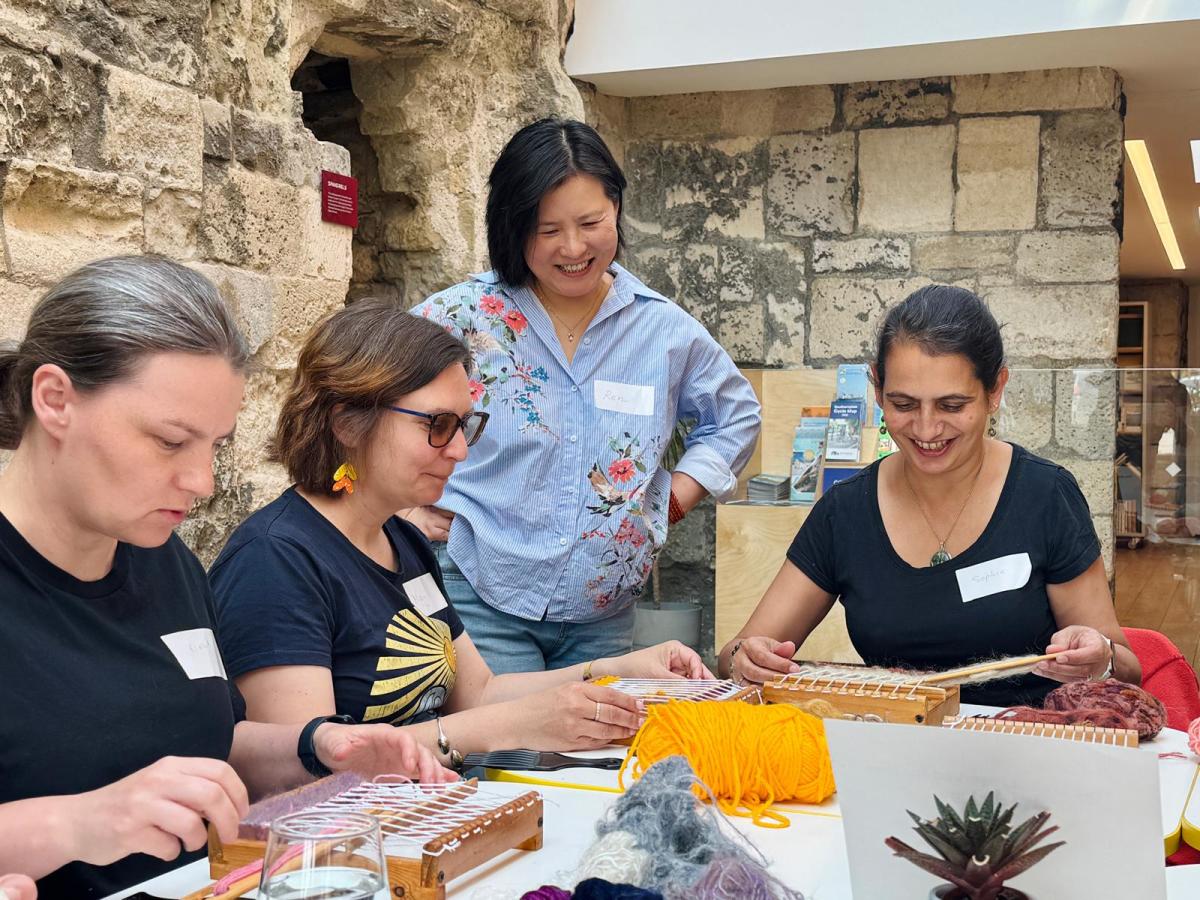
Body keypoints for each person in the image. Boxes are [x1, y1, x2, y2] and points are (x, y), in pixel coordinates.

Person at [0, 256, 452, 898]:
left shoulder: (168, 564)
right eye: (168, 441)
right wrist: (75, 822)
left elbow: (208, 742)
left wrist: (320, 747)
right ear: (55, 401)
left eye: (214, 446)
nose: (202, 482)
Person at [210, 300, 713, 761]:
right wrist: (506, 727)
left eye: (466, 426)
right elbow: (302, 767)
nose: (459, 451)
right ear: (347, 423)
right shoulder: (275, 560)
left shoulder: (401, 541)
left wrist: (614, 672)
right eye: (437, 425)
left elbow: (479, 693)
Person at [404, 117, 760, 673]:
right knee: (507, 752)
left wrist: (670, 502)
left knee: (591, 755)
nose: (573, 248)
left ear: (616, 208)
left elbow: (735, 416)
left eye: (590, 222)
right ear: (514, 226)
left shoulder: (663, 330)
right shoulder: (457, 318)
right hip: (480, 593)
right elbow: (362, 405)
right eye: (548, 230)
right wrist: (397, 508)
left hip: (606, 613)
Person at [718, 285, 1140, 707]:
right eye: (903, 403)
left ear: (996, 389)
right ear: (877, 388)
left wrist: (1099, 657)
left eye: (952, 406)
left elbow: (1126, 667)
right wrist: (746, 659)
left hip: (1028, 747)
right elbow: (736, 653)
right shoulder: (845, 512)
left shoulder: (1045, 496)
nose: (926, 428)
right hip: (897, 742)